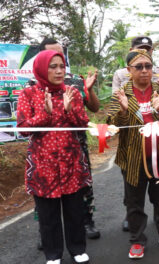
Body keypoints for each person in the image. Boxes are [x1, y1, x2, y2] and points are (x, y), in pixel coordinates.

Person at [17, 50, 91, 264]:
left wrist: (69, 110)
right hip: (43, 165)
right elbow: (22, 129)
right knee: (48, 215)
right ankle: (53, 254)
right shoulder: (28, 94)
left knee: (75, 210)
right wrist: (45, 114)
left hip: (71, 162)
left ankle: (77, 249)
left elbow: (83, 124)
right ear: (41, 68)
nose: (59, 71)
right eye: (53, 66)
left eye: (62, 66)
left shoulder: (72, 93)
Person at [107, 49, 159, 259]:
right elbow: (112, 125)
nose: (145, 71)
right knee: (134, 202)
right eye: (139, 67)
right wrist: (122, 110)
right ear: (129, 70)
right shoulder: (121, 93)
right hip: (132, 158)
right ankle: (137, 240)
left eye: (148, 66)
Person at [32, 38, 101, 245]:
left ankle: (86, 221)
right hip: (45, 152)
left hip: (75, 147)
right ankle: (46, 233)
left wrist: (88, 89)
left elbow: (95, 109)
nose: (60, 63)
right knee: (45, 191)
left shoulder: (75, 82)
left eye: (62, 54)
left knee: (81, 188)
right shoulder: (32, 87)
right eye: (53, 55)